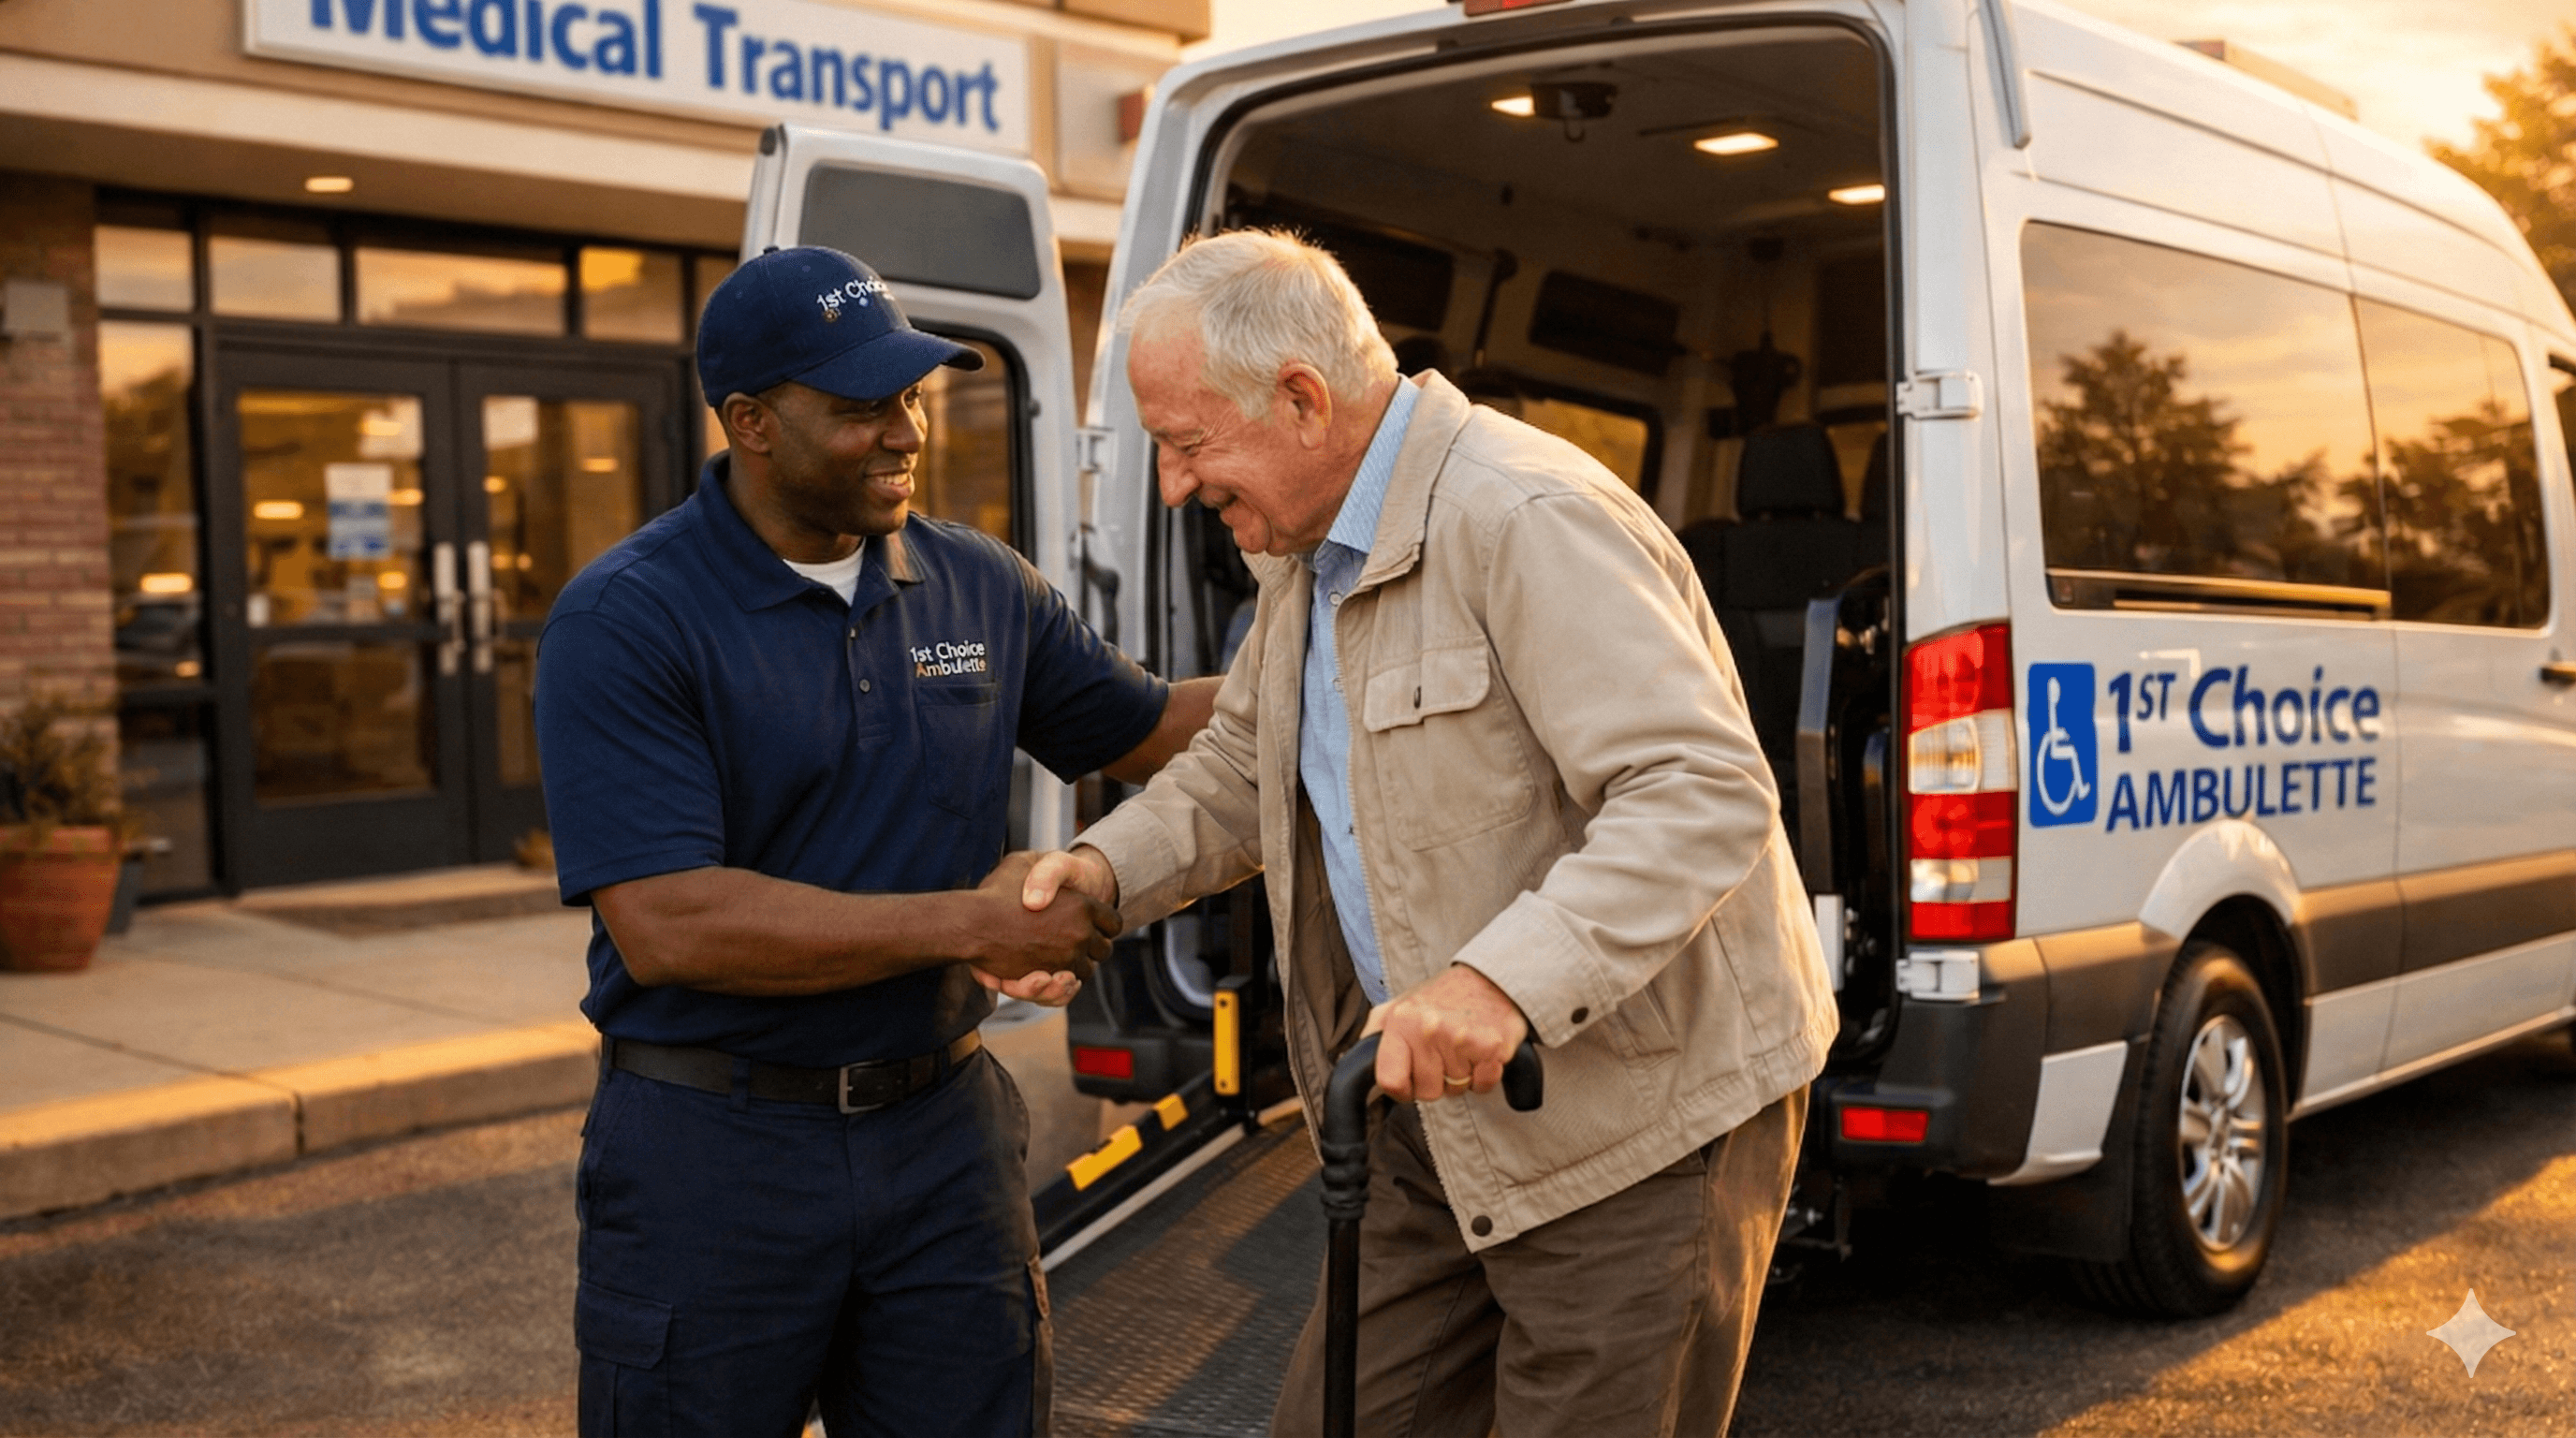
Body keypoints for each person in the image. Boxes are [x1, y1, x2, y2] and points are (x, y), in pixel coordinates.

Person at [1021, 231, 1838, 1436]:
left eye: (1188, 446)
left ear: (1301, 398)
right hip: (1435, 1116)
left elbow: (1698, 789)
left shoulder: (1523, 513)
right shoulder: (1308, 552)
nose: (1175, 487)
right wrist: (1097, 876)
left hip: (1636, 1133)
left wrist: (1497, 982)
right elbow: (1249, 764)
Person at [534, 244, 1214, 1437]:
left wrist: (1348, 653)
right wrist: (980, 923)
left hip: (941, 1138)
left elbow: (1151, 729)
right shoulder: (628, 617)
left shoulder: (976, 586)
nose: (905, 431)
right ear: (749, 422)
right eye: (860, 409)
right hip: (714, 1154)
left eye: (912, 396)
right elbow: (668, 923)